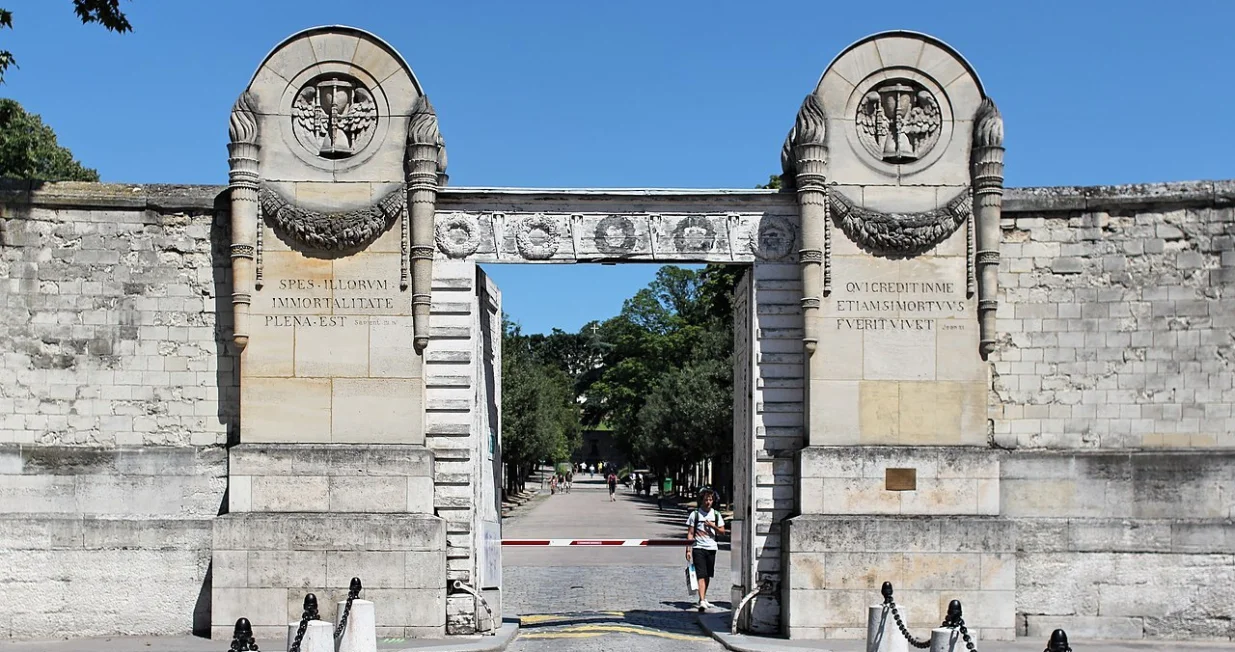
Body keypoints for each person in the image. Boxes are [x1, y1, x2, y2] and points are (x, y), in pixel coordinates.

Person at [686, 487, 725, 612]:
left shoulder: (716, 515)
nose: (708, 502)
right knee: (701, 574)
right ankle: (702, 600)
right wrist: (688, 549)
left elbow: (722, 531)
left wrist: (712, 525)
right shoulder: (695, 514)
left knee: (708, 574)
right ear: (701, 500)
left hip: (711, 547)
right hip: (698, 547)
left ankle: (703, 597)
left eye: (710, 500)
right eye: (706, 499)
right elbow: (690, 533)